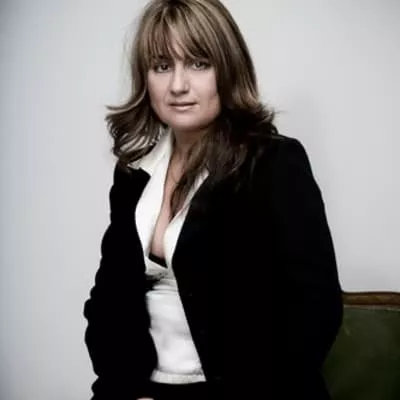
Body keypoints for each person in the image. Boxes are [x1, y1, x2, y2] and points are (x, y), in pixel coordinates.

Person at [83, 0, 343, 399]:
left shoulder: (273, 163)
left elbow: (316, 309)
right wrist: (124, 389)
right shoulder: (134, 175)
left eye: (198, 63)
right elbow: (108, 301)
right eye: (162, 66)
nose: (178, 85)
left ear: (227, 68)